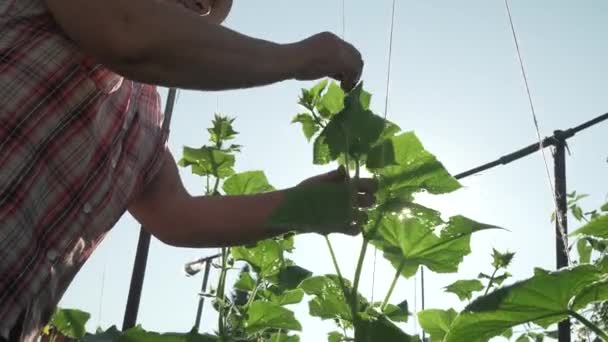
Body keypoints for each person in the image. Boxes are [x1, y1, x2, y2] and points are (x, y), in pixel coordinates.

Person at [0, 0, 375, 340]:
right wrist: (297, 57)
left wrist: (301, 205)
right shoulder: (112, 22)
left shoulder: (145, 115)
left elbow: (178, 217)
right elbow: (129, 33)